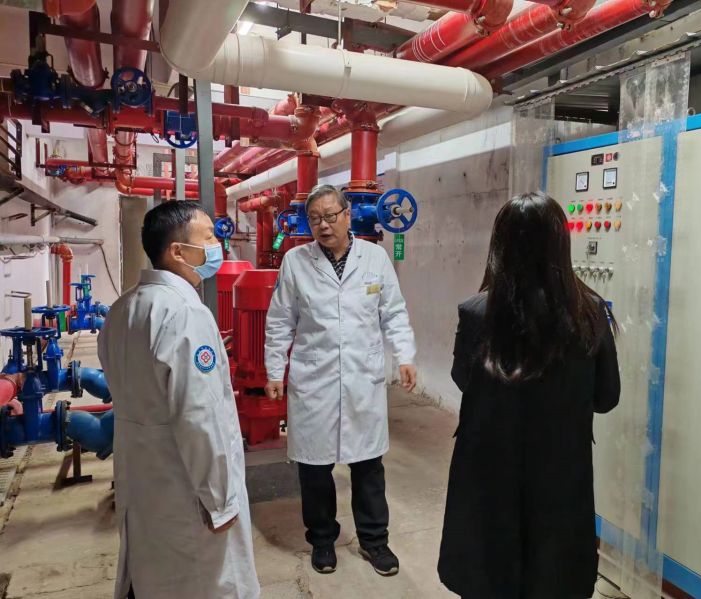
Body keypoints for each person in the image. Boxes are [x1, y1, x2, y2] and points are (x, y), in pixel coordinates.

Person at [438, 193, 621, 599]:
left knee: (488, 575)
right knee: (553, 576)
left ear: (499, 245)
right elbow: (607, 397)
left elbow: (462, 380)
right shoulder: (590, 313)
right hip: (561, 474)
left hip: (487, 472)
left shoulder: (475, 312)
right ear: (561, 244)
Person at [98, 202, 260, 599]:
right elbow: (200, 416)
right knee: (202, 581)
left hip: (142, 477)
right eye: (209, 237)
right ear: (177, 251)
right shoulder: (185, 313)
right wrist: (220, 500)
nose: (218, 245)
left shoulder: (123, 308)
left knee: (151, 574)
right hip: (185, 486)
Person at [264, 184, 417, 577]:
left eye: (331, 216)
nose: (323, 225)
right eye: (315, 218)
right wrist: (274, 370)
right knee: (315, 469)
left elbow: (393, 312)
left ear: (348, 215)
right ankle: (322, 541)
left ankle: (374, 541)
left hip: (362, 378)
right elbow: (280, 321)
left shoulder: (375, 258)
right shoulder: (295, 262)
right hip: (313, 379)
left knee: (368, 465)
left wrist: (405, 356)